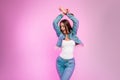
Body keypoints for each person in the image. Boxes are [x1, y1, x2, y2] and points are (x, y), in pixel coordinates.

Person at [53, 7, 84, 80]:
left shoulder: (73, 34)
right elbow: (54, 23)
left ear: (68, 25)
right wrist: (62, 14)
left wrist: (67, 14)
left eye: (64, 26)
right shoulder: (60, 34)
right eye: (61, 27)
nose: (62, 28)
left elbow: (76, 21)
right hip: (60, 62)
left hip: (70, 63)